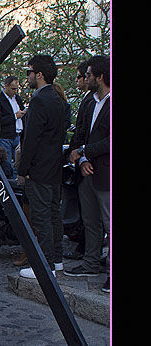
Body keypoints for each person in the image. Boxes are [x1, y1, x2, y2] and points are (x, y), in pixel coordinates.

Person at [64, 55, 110, 292]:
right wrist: (80, 157)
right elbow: (80, 131)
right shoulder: (88, 102)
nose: (86, 78)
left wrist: (85, 151)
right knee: (91, 222)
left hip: (106, 174)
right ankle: (91, 263)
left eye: (89, 74)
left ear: (100, 77)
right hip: (86, 171)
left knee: (109, 224)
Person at [17, 55, 65, 278]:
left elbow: (32, 139)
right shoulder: (57, 99)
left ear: (39, 74)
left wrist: (22, 169)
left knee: (41, 217)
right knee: (53, 214)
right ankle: (57, 259)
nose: (27, 77)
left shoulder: (39, 101)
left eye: (29, 72)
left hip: (40, 168)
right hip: (54, 166)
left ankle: (47, 267)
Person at [0, 75, 26, 177]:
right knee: (7, 163)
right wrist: (14, 117)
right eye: (13, 89)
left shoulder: (17, 99)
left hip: (18, 134)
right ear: (6, 86)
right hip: (5, 136)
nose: (15, 91)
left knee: (18, 162)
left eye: (16, 89)